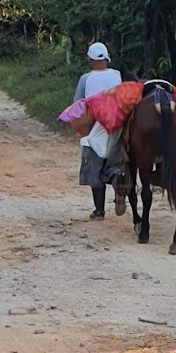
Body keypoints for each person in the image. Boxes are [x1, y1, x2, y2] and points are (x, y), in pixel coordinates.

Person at [73, 41, 125, 220]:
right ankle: (117, 180)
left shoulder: (86, 79)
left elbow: (78, 104)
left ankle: (99, 211)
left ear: (89, 60)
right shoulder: (117, 75)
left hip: (94, 129)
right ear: (107, 59)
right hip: (117, 128)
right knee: (113, 164)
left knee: (94, 170)